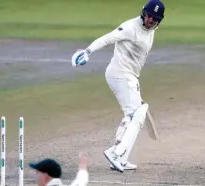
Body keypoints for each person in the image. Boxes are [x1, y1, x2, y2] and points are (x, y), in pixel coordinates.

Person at [71, 0, 166, 173]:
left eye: (155, 18)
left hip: (130, 76)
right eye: (149, 16)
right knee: (138, 115)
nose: (151, 20)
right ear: (144, 13)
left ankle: (120, 156)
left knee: (131, 116)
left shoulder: (151, 30)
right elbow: (108, 38)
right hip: (120, 74)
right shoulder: (130, 27)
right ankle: (116, 153)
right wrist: (87, 51)